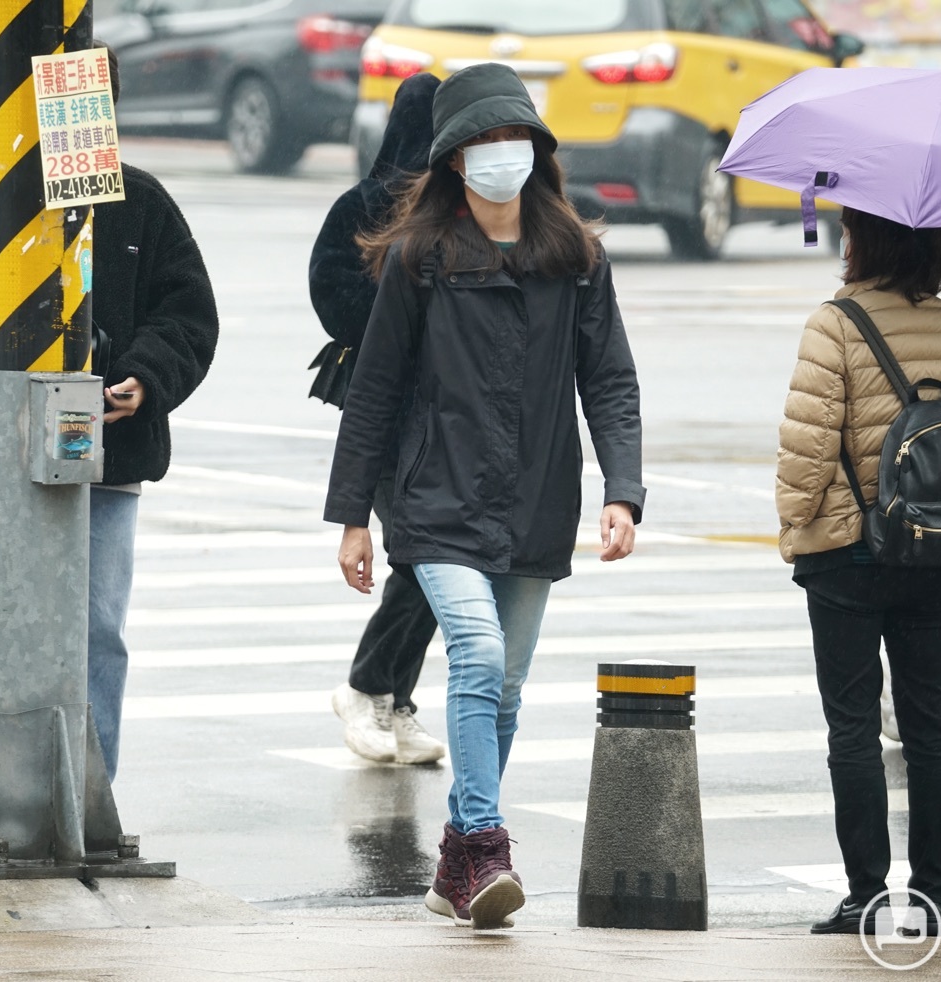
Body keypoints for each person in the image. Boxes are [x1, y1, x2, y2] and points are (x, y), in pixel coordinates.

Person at [323, 63, 645, 930]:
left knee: (502, 691)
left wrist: (624, 490)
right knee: (474, 650)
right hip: (434, 498)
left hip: (537, 503)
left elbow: (609, 380)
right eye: (483, 141)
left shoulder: (574, 256)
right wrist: (353, 512)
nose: (502, 154)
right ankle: (488, 842)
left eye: (516, 139)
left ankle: (456, 867)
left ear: (537, 152)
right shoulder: (421, 258)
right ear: (455, 161)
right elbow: (378, 387)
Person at [0, 44, 219, 784]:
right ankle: (15, 788)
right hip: (12, 451)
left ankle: (90, 787)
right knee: (16, 624)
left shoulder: (141, 202)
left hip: (108, 456)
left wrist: (145, 377)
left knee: (96, 628)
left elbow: (190, 315)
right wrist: (4, 226)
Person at [776, 206, 941, 936]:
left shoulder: (834, 324)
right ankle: (930, 897)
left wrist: (794, 530)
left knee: (854, 729)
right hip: (938, 554)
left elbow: (807, 448)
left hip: (847, 552)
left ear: (861, 240)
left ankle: (866, 893)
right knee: (931, 723)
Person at [309, 73, 446, 767]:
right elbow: (334, 294)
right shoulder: (368, 208)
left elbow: (325, 291)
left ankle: (394, 697)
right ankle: (369, 687)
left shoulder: (455, 210)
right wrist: (395, 331)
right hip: (385, 404)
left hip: (449, 411)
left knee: (433, 557)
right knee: (423, 556)